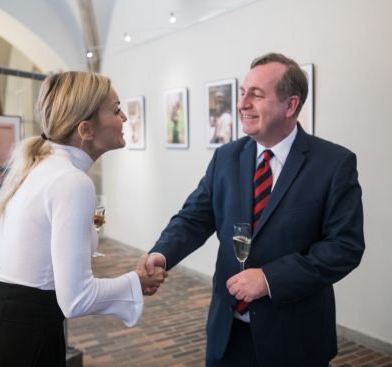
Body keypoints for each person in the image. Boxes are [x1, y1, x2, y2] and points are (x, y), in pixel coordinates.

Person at [145, 52, 365, 367]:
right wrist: (162, 253)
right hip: (227, 334)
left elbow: (345, 247)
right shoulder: (226, 157)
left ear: (290, 105)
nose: (242, 103)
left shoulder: (334, 164)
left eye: (256, 95)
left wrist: (270, 279)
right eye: (242, 92)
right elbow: (195, 217)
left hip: (294, 338)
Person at [0, 71, 167, 367]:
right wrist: (136, 282)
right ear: (86, 130)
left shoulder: (35, 167)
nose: (125, 118)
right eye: (116, 109)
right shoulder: (72, 181)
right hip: (22, 349)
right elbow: (76, 299)